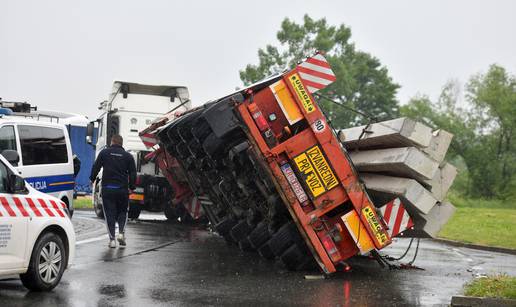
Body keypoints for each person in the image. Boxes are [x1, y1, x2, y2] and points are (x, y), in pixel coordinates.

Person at [90, 134, 136, 248]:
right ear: (121, 143)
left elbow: (96, 167)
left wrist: (92, 179)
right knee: (123, 212)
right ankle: (121, 233)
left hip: (108, 189)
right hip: (122, 190)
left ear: (112, 141)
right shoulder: (128, 156)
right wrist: (132, 187)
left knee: (109, 214)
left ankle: (112, 240)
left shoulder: (104, 153)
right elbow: (133, 173)